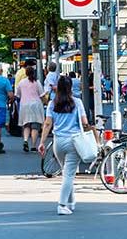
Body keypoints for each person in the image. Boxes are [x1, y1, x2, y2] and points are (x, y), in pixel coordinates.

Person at [38, 74, 93, 216]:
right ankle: (61, 205)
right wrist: (92, 131)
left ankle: (70, 202)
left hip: (58, 142)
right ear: (70, 88)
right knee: (69, 175)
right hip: (74, 141)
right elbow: (85, 122)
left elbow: (48, 123)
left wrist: (42, 142)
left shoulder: (52, 103)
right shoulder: (77, 102)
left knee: (66, 172)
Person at [17, 66, 44, 153]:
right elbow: (41, 94)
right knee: (35, 126)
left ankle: (25, 140)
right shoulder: (37, 82)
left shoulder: (21, 83)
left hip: (24, 105)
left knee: (26, 124)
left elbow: (17, 94)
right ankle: (33, 146)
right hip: (36, 105)